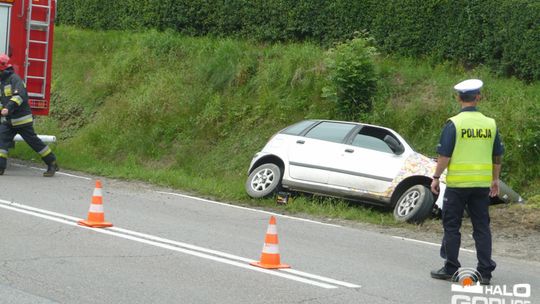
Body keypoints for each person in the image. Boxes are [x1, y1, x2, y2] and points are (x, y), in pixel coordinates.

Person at [430, 79, 503, 285]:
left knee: (452, 226)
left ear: (458, 98)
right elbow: (497, 155)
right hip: (481, 185)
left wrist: (436, 177)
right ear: (478, 97)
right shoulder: (490, 124)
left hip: (458, 185)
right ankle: (485, 272)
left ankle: (451, 267)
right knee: (482, 227)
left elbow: (445, 156)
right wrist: (495, 179)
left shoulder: (454, 123)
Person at [0, 53, 58, 176]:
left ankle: (52, 162)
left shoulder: (15, 79)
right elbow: (2, 101)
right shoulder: (3, 82)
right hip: (9, 121)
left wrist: (8, 109)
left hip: (22, 120)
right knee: (1, 140)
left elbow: (19, 97)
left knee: (34, 142)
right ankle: (0, 166)